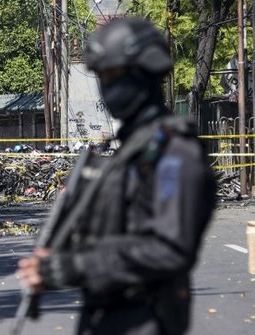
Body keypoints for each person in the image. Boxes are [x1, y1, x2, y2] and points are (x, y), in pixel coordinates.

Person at [16, 17, 216, 335]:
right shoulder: (132, 148)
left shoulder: (174, 153)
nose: (107, 88)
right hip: (106, 318)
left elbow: (168, 249)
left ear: (143, 74)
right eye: (102, 77)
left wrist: (74, 266)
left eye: (113, 75)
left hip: (146, 321)